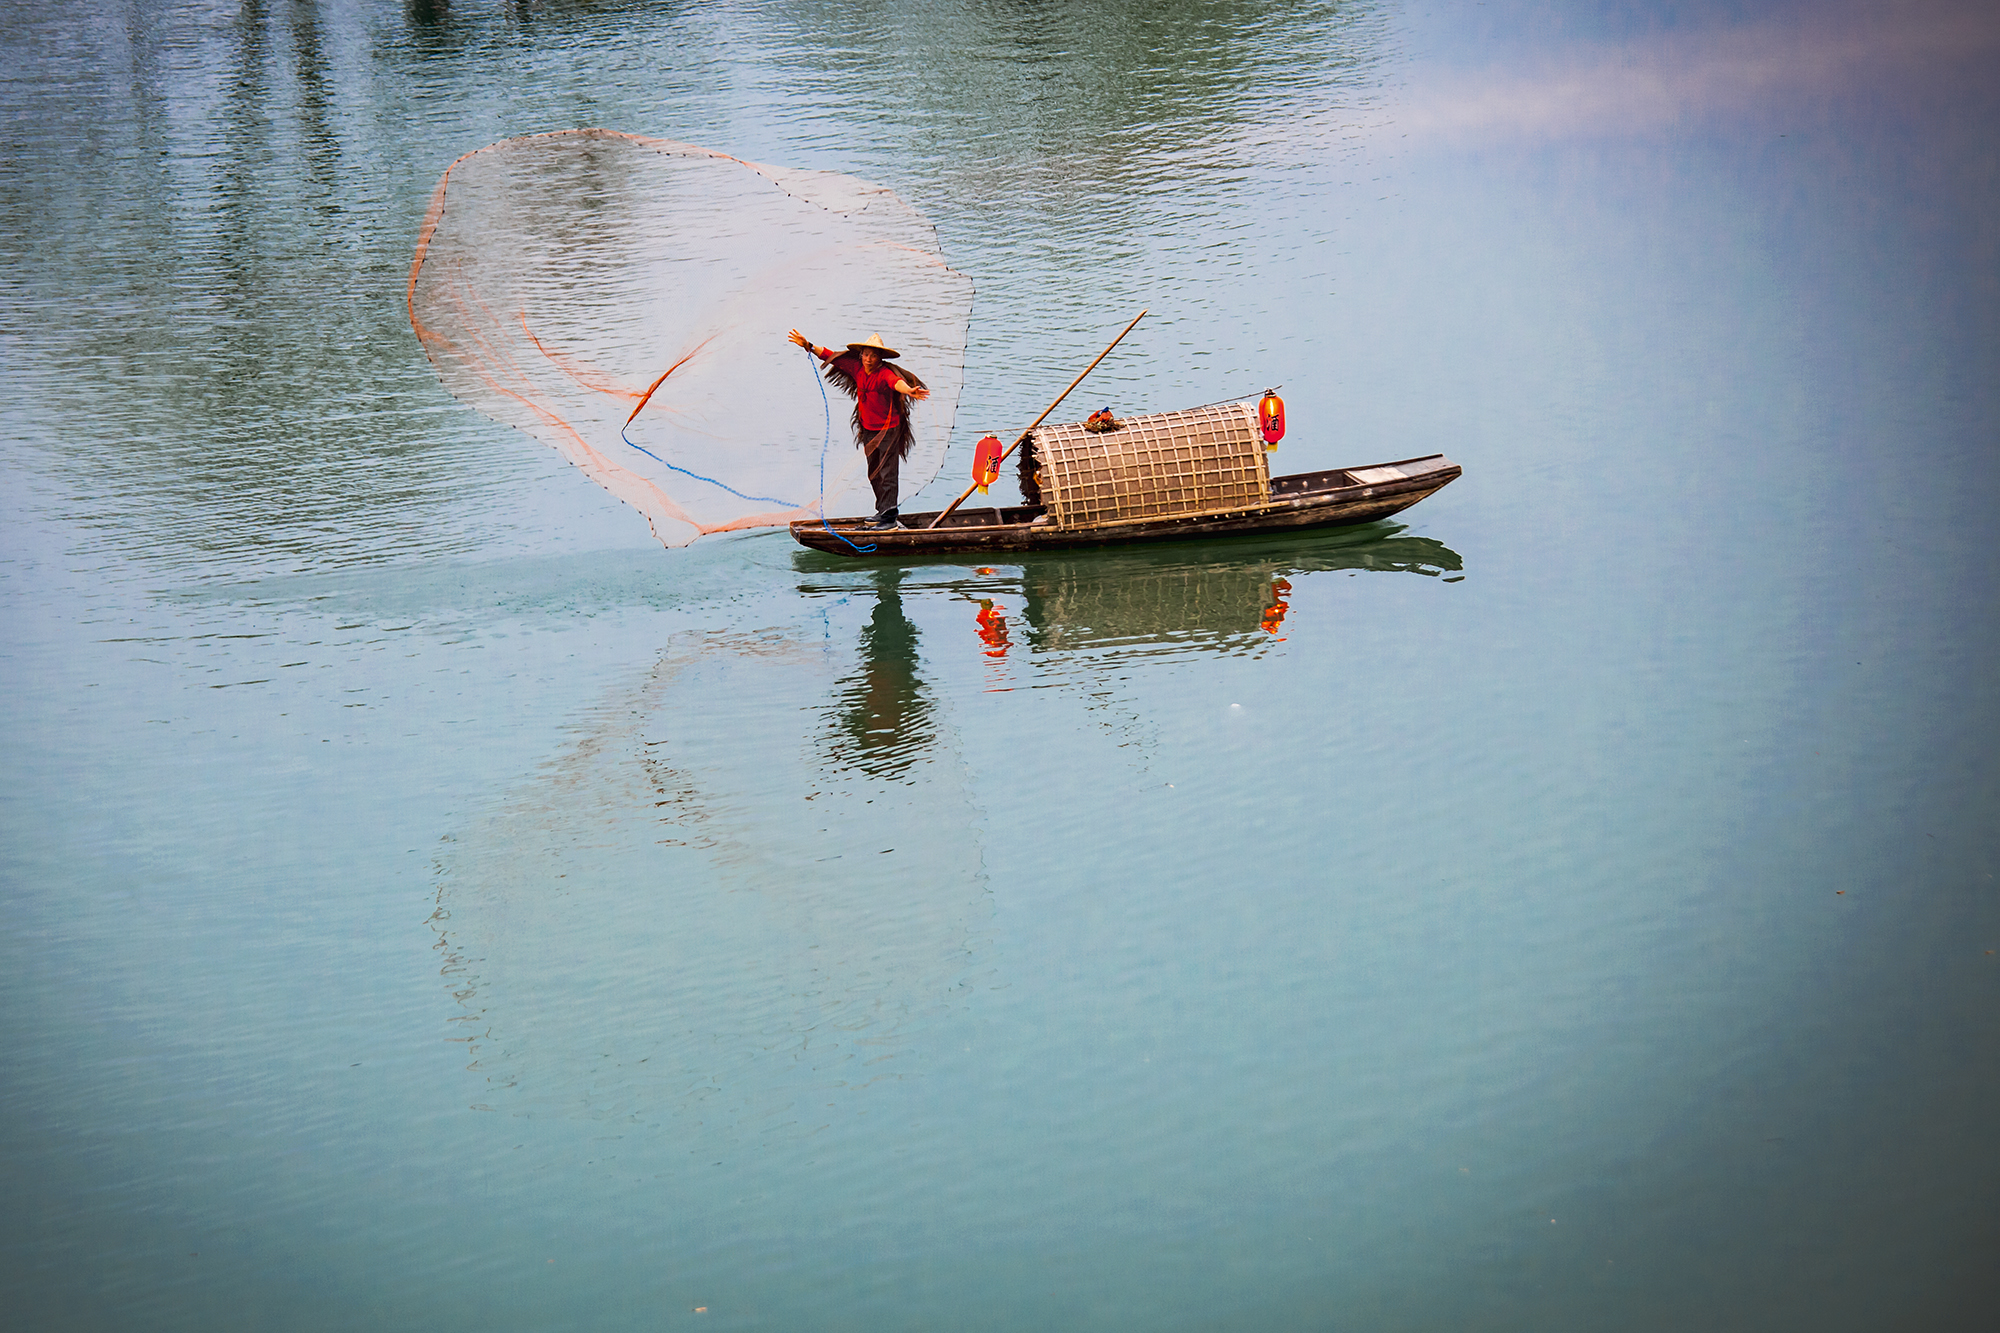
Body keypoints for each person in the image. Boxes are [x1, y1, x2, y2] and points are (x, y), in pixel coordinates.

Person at [787, 329, 930, 529]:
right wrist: (808, 345)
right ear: (861, 354)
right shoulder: (857, 369)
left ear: (880, 358)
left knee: (887, 472)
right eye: (865, 354)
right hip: (868, 428)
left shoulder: (884, 374)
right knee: (873, 471)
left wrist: (910, 391)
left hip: (889, 429)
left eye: (873, 355)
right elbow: (831, 356)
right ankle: (882, 511)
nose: (868, 359)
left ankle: (890, 517)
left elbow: (896, 383)